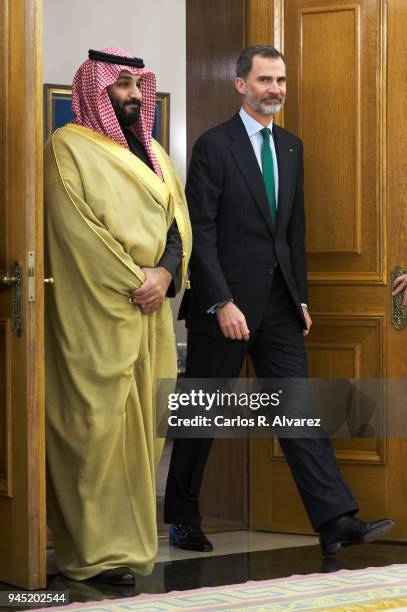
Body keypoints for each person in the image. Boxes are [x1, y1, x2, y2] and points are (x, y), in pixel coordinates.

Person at [164, 45, 394, 555]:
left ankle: (335, 521)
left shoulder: (291, 147)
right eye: (265, 80)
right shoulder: (213, 146)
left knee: (298, 411)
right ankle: (181, 518)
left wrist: (302, 298)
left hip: (280, 309)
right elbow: (198, 230)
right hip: (222, 309)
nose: (275, 90)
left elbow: (292, 232)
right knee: (202, 417)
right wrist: (220, 301)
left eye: (282, 81)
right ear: (240, 84)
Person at [44, 48, 192, 585]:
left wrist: (166, 273)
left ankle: (128, 550)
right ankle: (90, 555)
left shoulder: (153, 153)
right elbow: (76, 230)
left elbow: (178, 220)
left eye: (138, 85)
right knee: (94, 427)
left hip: (150, 309)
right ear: (96, 88)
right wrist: (139, 280)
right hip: (97, 307)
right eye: (121, 85)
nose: (132, 95)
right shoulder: (67, 148)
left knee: (143, 429)